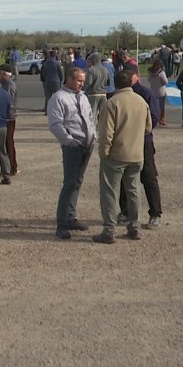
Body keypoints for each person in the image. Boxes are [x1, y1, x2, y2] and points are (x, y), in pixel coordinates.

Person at [94, 70, 152, 244]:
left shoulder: (112, 103)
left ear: (115, 83)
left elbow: (106, 133)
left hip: (116, 155)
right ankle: (135, 227)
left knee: (110, 192)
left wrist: (104, 153)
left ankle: (109, 230)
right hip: (136, 154)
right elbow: (148, 128)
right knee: (133, 191)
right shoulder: (141, 101)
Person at [47, 67, 95, 240]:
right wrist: (69, 141)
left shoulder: (83, 96)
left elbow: (89, 118)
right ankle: (62, 223)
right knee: (69, 184)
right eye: (79, 80)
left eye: (83, 81)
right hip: (72, 146)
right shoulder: (58, 98)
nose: (82, 84)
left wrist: (93, 137)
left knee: (77, 182)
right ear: (69, 79)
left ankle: (71, 216)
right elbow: (55, 124)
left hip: (87, 145)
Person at [115, 69, 163, 229]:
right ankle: (126, 212)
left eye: (131, 76)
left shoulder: (146, 94)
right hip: (125, 142)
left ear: (136, 77)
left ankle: (155, 214)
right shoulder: (118, 95)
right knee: (124, 177)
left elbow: (154, 118)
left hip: (143, 142)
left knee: (148, 177)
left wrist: (136, 132)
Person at [0, 63, 19, 176]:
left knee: (8, 143)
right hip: (6, 118)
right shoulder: (5, 85)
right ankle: (9, 167)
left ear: (5, 74)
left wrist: (4, 117)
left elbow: (10, 104)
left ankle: (11, 168)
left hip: (8, 119)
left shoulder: (9, 85)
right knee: (5, 143)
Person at [84, 52, 110, 125]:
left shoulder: (91, 70)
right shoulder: (105, 69)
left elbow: (88, 83)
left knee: (92, 114)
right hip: (103, 94)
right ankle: (102, 130)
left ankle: (92, 131)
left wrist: (84, 91)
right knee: (103, 114)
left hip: (93, 94)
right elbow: (108, 83)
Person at [40, 50, 63, 114]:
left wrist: (46, 78)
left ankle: (47, 111)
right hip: (56, 81)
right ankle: (56, 111)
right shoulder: (57, 63)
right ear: (55, 55)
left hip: (48, 81)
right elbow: (60, 72)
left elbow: (43, 73)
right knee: (57, 97)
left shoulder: (45, 63)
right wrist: (61, 79)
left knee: (48, 97)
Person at [147, 60, 168, 126]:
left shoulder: (150, 72)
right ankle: (161, 120)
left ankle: (154, 119)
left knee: (153, 106)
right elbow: (165, 81)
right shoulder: (161, 73)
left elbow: (149, 80)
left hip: (153, 90)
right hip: (161, 91)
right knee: (161, 107)